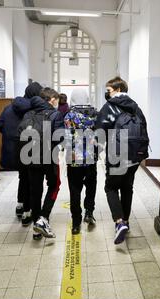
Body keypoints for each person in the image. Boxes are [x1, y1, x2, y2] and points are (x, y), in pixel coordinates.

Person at [97, 77, 149, 245]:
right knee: (127, 188)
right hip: (135, 156)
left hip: (117, 155)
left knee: (111, 187)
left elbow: (99, 132)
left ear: (118, 89)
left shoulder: (110, 107)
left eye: (109, 90)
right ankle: (126, 221)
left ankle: (119, 222)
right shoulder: (136, 107)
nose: (107, 93)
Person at [21, 88, 64, 239]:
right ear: (52, 99)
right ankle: (43, 218)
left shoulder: (28, 114)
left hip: (31, 157)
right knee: (54, 185)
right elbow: (59, 137)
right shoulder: (55, 114)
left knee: (35, 191)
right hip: (49, 157)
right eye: (56, 100)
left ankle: (35, 228)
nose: (57, 103)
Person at [0, 82, 43, 219]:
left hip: (12, 150)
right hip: (28, 149)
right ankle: (27, 213)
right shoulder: (34, 110)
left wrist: (10, 137)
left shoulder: (8, 107)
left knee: (22, 177)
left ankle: (20, 205)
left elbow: (0, 125)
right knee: (30, 180)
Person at [64, 89, 98, 234]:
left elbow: (67, 138)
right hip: (91, 158)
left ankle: (76, 223)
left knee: (74, 189)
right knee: (91, 186)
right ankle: (89, 213)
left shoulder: (69, 116)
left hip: (74, 159)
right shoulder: (95, 115)